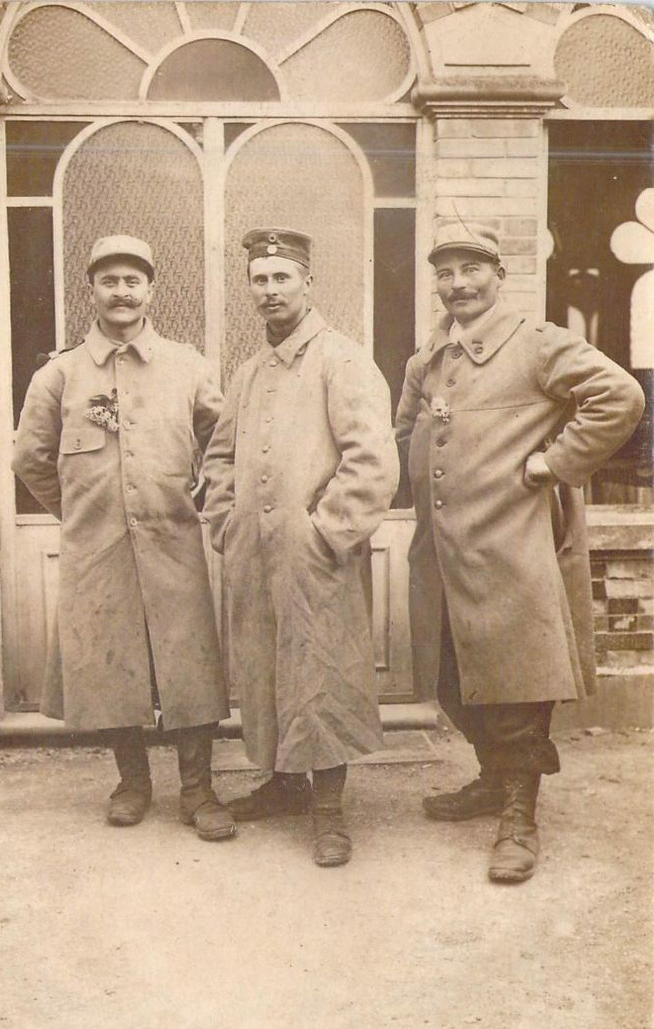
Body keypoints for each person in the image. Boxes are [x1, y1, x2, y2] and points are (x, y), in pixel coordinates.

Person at [395, 220, 645, 883]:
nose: (457, 285)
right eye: (445, 273)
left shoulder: (537, 344)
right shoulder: (429, 360)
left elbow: (620, 396)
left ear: (498, 276)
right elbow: (404, 431)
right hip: (442, 554)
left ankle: (519, 813)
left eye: (471, 269)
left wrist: (550, 464)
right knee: (453, 680)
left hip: (511, 550)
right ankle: (489, 778)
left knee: (517, 685)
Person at [13, 234, 236, 840]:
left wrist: (203, 494)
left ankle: (198, 788)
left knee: (189, 663)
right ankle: (132, 782)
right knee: (110, 664)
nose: (121, 292)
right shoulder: (59, 375)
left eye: (132, 281)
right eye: (109, 281)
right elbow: (30, 458)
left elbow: (222, 442)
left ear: (150, 290)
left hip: (172, 540)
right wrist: (83, 510)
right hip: (99, 545)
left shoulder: (187, 366)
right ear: (92, 290)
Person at [202, 228, 399, 866]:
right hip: (255, 553)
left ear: (307, 283)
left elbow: (372, 461)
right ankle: (285, 784)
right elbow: (222, 456)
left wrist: (326, 532)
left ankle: (331, 812)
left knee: (322, 674)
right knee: (265, 670)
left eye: (281, 278)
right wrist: (223, 519)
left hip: (315, 554)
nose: (269, 291)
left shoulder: (341, 358)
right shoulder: (248, 371)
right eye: (259, 279)